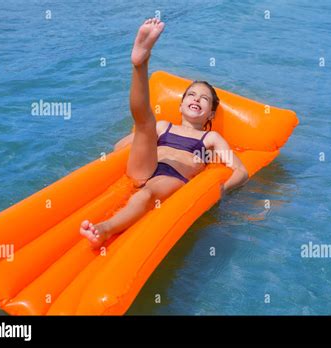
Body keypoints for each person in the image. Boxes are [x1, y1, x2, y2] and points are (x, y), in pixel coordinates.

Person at [80, 18, 249, 249]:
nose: (196, 99)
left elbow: (241, 171)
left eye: (204, 99)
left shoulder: (210, 138)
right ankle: (140, 62)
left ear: (210, 115)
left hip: (172, 178)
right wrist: (142, 138)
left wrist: (220, 189)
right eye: (191, 95)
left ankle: (105, 228)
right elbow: (120, 147)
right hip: (144, 167)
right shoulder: (163, 126)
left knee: (145, 195)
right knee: (146, 122)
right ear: (180, 106)